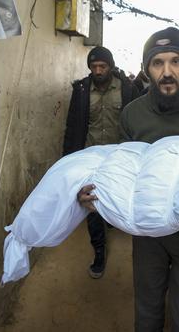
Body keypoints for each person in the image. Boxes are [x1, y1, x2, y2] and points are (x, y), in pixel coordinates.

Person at [78, 27, 179, 331]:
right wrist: (100, 197)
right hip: (149, 234)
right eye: (158, 63)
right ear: (147, 69)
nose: (167, 72)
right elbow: (125, 169)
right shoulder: (133, 114)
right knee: (147, 311)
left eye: (175, 61)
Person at [63, 46, 139, 279]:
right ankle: (99, 250)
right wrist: (68, 159)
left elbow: (139, 123)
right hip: (91, 157)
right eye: (94, 67)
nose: (98, 70)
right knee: (92, 203)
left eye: (102, 66)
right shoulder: (82, 90)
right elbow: (72, 125)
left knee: (120, 197)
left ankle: (115, 220)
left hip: (120, 157)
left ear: (110, 66)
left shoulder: (128, 89)